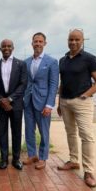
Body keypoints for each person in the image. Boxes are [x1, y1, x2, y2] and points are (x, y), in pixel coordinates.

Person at [57, 29, 96, 187]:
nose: (73, 42)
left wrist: (86, 94)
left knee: (86, 136)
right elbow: (62, 82)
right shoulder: (63, 60)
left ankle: (89, 171)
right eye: (71, 39)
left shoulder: (89, 59)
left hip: (82, 102)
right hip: (65, 101)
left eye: (77, 39)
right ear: (67, 40)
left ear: (82, 40)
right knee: (70, 133)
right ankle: (74, 161)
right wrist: (59, 103)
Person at [23, 32, 59, 169]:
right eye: (35, 41)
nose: (37, 43)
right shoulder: (26, 62)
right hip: (28, 101)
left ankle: (43, 158)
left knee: (44, 131)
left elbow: (53, 84)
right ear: (32, 43)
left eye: (40, 41)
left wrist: (50, 104)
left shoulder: (51, 62)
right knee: (29, 130)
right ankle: (32, 155)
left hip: (43, 102)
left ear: (45, 43)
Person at [0, 39, 27, 170]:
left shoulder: (21, 64)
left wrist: (10, 99)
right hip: (1, 105)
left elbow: (23, 84)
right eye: (4, 46)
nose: (6, 48)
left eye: (9, 46)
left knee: (16, 131)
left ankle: (16, 159)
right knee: (2, 131)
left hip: (16, 104)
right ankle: (4, 159)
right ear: (0, 48)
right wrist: (2, 99)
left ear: (13, 48)